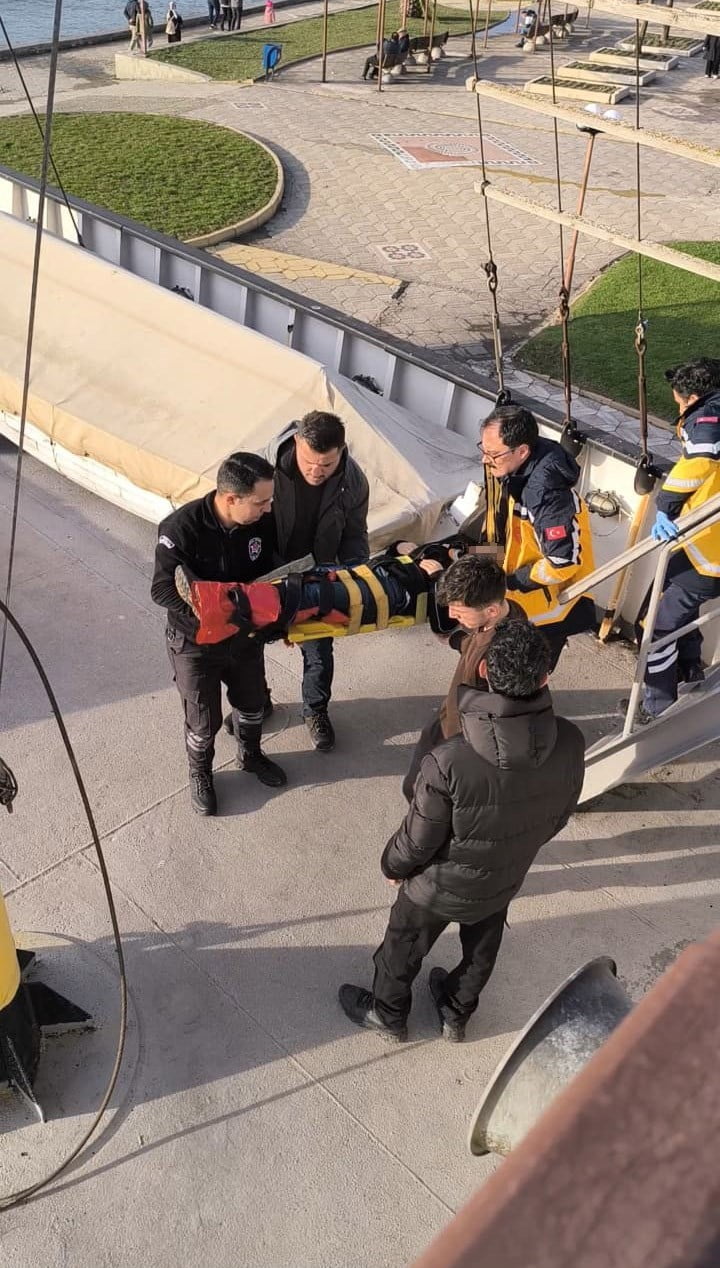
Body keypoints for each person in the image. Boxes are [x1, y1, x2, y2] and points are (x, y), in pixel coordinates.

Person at [338, 621, 586, 1044]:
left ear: (485, 670)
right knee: (481, 951)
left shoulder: (449, 759)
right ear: (545, 677)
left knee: (403, 947)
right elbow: (559, 817)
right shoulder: (571, 742)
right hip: (503, 878)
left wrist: (392, 865)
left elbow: (418, 839)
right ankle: (456, 1013)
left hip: (434, 887)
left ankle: (388, 1013)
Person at [151, 452, 287, 817]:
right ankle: (201, 773)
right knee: (202, 721)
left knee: (252, 703)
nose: (269, 509)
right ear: (231, 499)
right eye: (261, 502)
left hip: (244, 638)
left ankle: (251, 754)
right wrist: (211, 612)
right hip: (195, 644)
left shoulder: (259, 522)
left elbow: (268, 568)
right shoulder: (180, 529)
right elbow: (162, 590)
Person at [264, 411, 369, 751]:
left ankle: (316, 710)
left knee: (320, 650)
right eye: (310, 462)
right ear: (296, 442)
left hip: (317, 577)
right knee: (248, 646)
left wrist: (355, 581)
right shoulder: (264, 471)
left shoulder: (354, 482)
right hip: (267, 572)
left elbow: (354, 538)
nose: (315, 471)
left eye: (325, 465)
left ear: (341, 451)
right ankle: (254, 705)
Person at [632, 358, 720, 722]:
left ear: (694, 397)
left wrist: (666, 506)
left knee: (655, 625)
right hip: (700, 546)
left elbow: (699, 461)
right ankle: (689, 669)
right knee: (669, 607)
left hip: (708, 553)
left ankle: (657, 706)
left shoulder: (708, 420)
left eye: (680, 403)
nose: (679, 409)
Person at [477, 406, 596, 669]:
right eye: (483, 450)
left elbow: (562, 562)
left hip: (546, 609)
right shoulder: (516, 471)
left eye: (493, 454)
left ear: (522, 451)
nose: (486, 460)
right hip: (522, 602)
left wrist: (514, 581)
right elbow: (507, 529)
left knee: (522, 674)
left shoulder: (546, 496)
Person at [401, 555, 527, 802]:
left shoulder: (500, 658)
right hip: (449, 718)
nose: (452, 615)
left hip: (463, 741)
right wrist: (441, 577)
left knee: (427, 794)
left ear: (490, 610)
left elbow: (501, 724)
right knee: (417, 784)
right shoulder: (503, 610)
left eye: (459, 613)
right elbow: (473, 639)